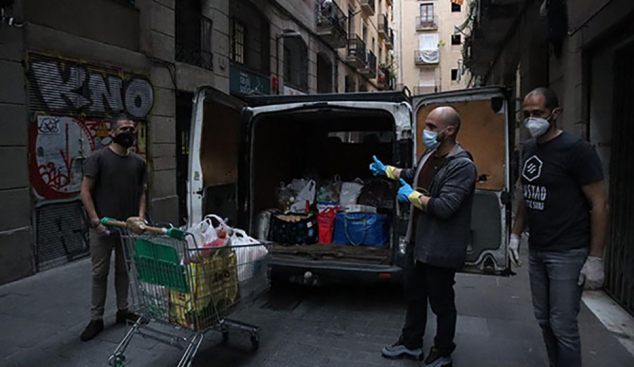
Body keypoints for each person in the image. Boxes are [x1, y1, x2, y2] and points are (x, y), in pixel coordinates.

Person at [509, 88, 608, 367]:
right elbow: (525, 194)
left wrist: (595, 258)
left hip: (567, 251)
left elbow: (599, 203)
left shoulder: (577, 150)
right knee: (544, 321)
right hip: (538, 249)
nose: (531, 120)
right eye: (526, 114)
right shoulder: (529, 148)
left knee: (563, 326)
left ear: (555, 113)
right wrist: (516, 234)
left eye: (537, 114)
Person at [372, 106, 477, 367]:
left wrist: (412, 197)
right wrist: (387, 170)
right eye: (426, 125)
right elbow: (412, 174)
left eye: (431, 126)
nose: (425, 131)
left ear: (449, 130)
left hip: (440, 247)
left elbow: (445, 206)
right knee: (414, 295)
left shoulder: (463, 166)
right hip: (417, 242)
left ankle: (442, 350)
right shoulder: (431, 155)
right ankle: (411, 343)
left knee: (441, 302)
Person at [79, 115, 147, 341]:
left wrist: (140, 218)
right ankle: (96, 319)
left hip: (127, 229)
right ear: (112, 133)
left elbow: (142, 192)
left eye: (131, 128)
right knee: (99, 273)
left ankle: (123, 311)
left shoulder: (139, 162)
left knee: (123, 271)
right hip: (103, 228)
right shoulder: (98, 158)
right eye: (123, 129)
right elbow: (85, 192)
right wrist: (96, 221)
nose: (129, 132)